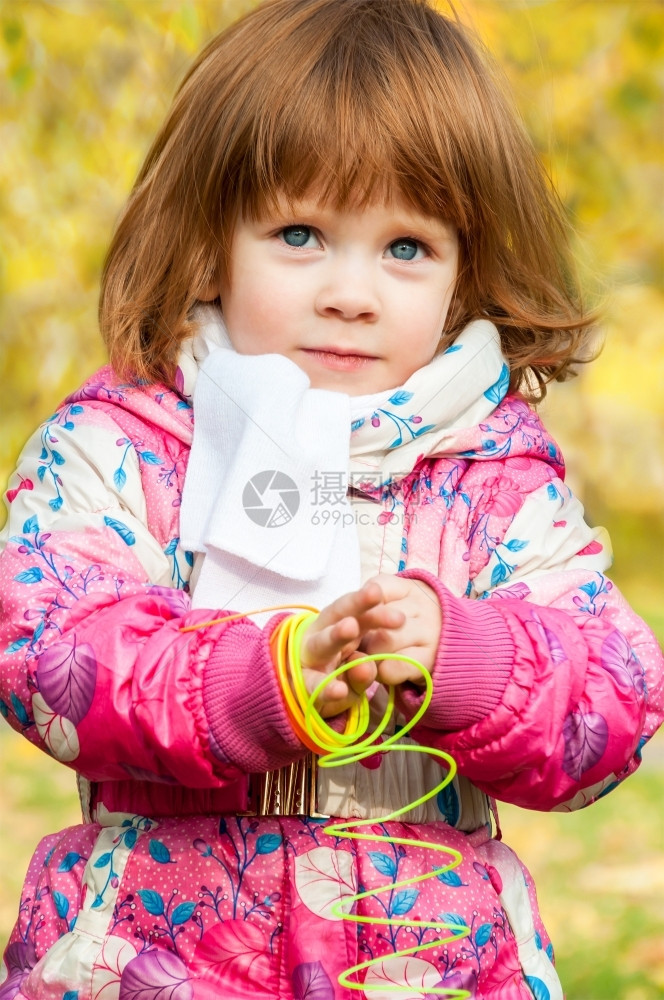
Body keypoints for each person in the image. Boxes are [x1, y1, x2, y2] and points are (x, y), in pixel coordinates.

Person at [0, 0, 661, 997]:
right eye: (300, 233)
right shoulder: (129, 443)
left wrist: (465, 658)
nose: (350, 292)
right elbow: (47, 645)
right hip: (154, 956)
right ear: (210, 233)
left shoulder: (489, 474)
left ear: (464, 267)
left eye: (405, 248)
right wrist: (262, 676)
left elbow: (610, 702)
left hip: (433, 960)